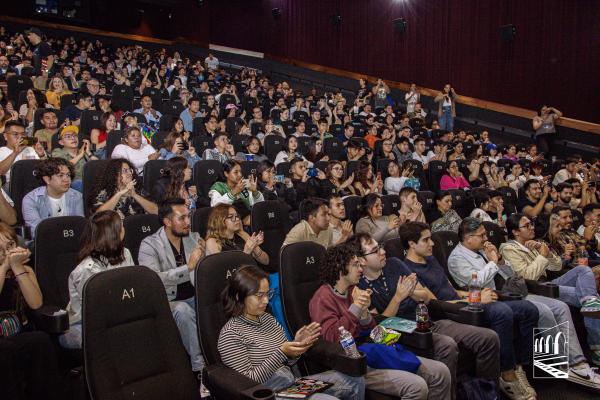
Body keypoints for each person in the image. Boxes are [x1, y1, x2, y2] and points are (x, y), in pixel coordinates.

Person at [450, 217, 600, 389]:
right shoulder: (457, 258)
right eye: (482, 235)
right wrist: (492, 262)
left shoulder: (481, 250)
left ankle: (578, 362)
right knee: (544, 310)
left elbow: (510, 275)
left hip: (510, 290)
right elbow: (475, 283)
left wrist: (499, 261)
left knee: (562, 306)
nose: (486, 238)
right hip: (486, 298)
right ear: (468, 237)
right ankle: (564, 363)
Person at [398, 222, 539, 400]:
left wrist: (476, 294)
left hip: (462, 301)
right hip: (451, 310)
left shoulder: (431, 260)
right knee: (501, 312)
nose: (432, 243)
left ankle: (519, 365)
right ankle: (507, 374)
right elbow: (437, 303)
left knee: (528, 309)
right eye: (426, 240)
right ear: (411, 244)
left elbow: (452, 290)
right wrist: (477, 299)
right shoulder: (409, 269)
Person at [349, 232, 501, 396]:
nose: (383, 252)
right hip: (401, 333)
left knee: (489, 337)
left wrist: (413, 292)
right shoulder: (360, 286)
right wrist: (398, 297)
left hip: (427, 321)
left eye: (380, 247)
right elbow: (377, 330)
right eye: (375, 250)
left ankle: (488, 393)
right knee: (447, 345)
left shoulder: (394, 264)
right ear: (361, 260)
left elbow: (426, 296)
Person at [309, 242, 452, 399]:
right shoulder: (322, 298)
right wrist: (356, 308)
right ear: (340, 267)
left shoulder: (353, 291)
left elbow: (371, 329)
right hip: (356, 364)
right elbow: (333, 338)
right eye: (356, 264)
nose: (361, 269)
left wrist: (364, 314)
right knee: (417, 386)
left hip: (374, 351)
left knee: (440, 372)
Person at [217, 265, 364, 399]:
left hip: (290, 385)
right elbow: (247, 383)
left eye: (267, 294)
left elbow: (288, 361)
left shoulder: (267, 319)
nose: (266, 300)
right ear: (239, 297)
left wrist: (296, 345)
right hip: (270, 394)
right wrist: (282, 352)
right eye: (259, 295)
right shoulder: (231, 334)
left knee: (355, 379)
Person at [500, 214, 600, 361]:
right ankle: (596, 349)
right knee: (593, 299)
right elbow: (527, 277)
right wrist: (541, 256)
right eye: (526, 226)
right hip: (535, 289)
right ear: (515, 231)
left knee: (584, 272)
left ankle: (590, 302)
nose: (532, 227)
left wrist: (542, 248)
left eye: (531, 224)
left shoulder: (533, 244)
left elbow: (557, 265)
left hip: (549, 282)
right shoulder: (508, 249)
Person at [138, 198, 207, 384]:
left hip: (195, 294)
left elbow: (205, 272)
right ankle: (200, 371)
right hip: (167, 301)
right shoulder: (149, 245)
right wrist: (189, 267)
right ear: (167, 222)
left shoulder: (193, 238)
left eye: (188, 217)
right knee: (183, 311)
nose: (188, 222)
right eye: (182, 218)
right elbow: (152, 280)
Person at [0, 222, 61, 400]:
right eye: (0, 247)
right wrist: (4, 267)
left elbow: (36, 304)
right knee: (5, 351)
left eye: (9, 245)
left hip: (18, 331)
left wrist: (17, 268)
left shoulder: (25, 269)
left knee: (40, 340)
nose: (6, 251)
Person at [59, 210, 134, 348]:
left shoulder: (125, 253)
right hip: (83, 324)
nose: (124, 229)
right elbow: (96, 310)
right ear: (112, 233)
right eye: (121, 226)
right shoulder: (86, 270)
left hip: (119, 315)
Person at [22, 157, 84, 235]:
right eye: (60, 175)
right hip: (43, 242)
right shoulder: (31, 199)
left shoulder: (77, 196)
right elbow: (36, 232)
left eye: (68, 175)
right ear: (47, 179)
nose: (66, 179)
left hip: (71, 240)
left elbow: (80, 226)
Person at [91, 158, 157, 219]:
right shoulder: (104, 193)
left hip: (139, 229)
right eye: (125, 171)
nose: (129, 173)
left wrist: (135, 195)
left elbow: (156, 211)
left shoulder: (139, 190)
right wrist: (119, 194)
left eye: (130, 170)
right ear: (114, 175)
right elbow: (98, 216)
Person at [205, 204, 269, 265]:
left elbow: (266, 261)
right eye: (231, 217)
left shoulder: (242, 234)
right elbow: (225, 272)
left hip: (251, 273)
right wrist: (246, 252)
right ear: (219, 221)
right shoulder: (213, 242)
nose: (237, 219)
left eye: (237, 216)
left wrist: (255, 248)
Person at [209, 159, 264, 225]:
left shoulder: (243, 186)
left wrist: (255, 192)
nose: (240, 175)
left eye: (240, 172)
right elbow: (215, 206)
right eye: (236, 172)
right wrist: (234, 192)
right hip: (226, 222)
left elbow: (258, 205)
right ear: (226, 174)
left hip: (246, 218)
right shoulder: (218, 186)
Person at [51, 125, 97, 192]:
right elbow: (63, 168)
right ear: (61, 142)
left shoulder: (83, 152)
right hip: (69, 185)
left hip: (88, 184)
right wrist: (80, 155)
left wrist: (88, 152)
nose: (73, 138)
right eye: (68, 137)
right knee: (78, 183)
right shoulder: (58, 152)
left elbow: (98, 166)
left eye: (75, 135)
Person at [0, 121, 46, 186]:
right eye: (15, 134)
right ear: (5, 136)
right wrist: (15, 153)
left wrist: (42, 155)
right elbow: (1, 171)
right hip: (11, 185)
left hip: (34, 182)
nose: (20, 137)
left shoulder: (31, 149)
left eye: (23, 134)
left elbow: (47, 170)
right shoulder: (1, 151)